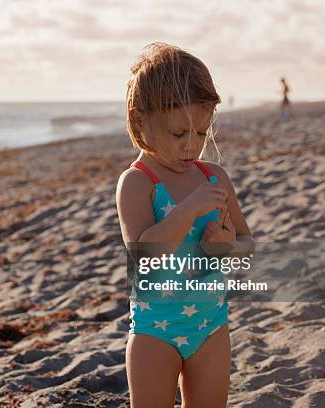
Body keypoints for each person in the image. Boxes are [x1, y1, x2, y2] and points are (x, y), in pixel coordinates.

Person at [116, 42, 254, 407]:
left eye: (202, 133)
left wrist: (226, 247)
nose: (191, 146)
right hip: (155, 330)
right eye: (179, 134)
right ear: (140, 121)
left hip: (211, 326)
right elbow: (144, 255)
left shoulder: (215, 177)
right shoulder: (138, 182)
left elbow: (246, 242)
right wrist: (187, 211)